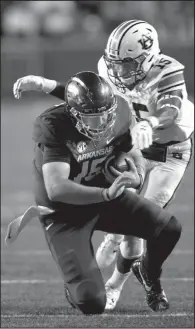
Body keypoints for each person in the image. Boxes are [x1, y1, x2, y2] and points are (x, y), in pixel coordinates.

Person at [12, 20, 193, 311]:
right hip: (125, 139)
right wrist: (47, 85)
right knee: (131, 231)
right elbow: (92, 101)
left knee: (153, 223)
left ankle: (126, 280)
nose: (118, 72)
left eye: (126, 65)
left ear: (148, 57)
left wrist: (151, 123)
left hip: (167, 149)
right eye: (115, 64)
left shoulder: (168, 71)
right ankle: (113, 249)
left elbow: (170, 108)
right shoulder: (109, 74)